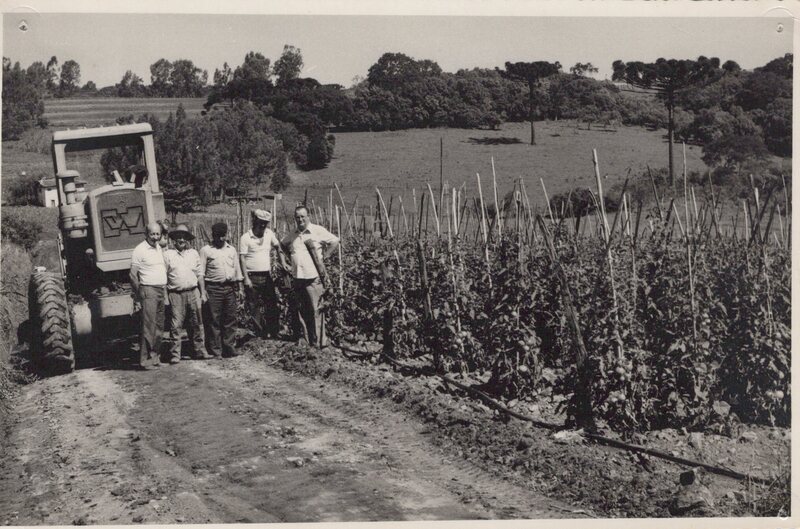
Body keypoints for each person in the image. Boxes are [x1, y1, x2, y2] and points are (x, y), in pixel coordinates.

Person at [280, 205, 339, 347]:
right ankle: (306, 340)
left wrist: (325, 256)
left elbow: (335, 241)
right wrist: (288, 260)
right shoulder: (293, 234)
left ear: (308, 217)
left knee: (316, 310)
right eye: (297, 217)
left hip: (313, 277)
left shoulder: (317, 230)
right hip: (298, 277)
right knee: (302, 310)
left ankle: (319, 341)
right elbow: (282, 245)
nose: (300, 219)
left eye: (303, 216)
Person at [164, 224, 212, 363]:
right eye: (178, 237)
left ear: (187, 239)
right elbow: (163, 277)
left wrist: (202, 292)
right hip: (175, 294)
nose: (181, 240)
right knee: (176, 325)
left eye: (184, 237)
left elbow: (200, 274)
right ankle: (175, 354)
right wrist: (166, 296)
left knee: (197, 323)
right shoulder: (168, 255)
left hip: (193, 292)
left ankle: (199, 351)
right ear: (174, 239)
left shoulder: (193, 253)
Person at [200, 222, 244, 358]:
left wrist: (240, 288)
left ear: (226, 235)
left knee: (230, 318)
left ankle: (229, 347)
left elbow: (237, 269)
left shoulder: (231, 250)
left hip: (229, 288)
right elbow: (201, 273)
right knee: (214, 320)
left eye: (222, 236)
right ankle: (216, 350)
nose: (220, 239)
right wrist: (203, 291)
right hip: (213, 288)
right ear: (213, 235)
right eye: (217, 236)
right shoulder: (206, 250)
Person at [130, 221, 167, 370]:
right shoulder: (140, 250)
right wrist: (139, 293)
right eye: (152, 234)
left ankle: (155, 358)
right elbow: (132, 275)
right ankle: (144, 361)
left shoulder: (158, 247)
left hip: (160, 290)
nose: (155, 237)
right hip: (148, 290)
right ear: (146, 234)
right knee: (148, 327)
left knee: (159, 326)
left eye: (158, 234)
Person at [240, 209, 281, 338]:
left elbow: (278, 246)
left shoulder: (269, 234)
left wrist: (283, 262)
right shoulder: (246, 237)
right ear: (255, 221)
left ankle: (273, 332)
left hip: (266, 276)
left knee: (271, 303)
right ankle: (260, 333)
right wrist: (246, 278)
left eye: (265, 223)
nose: (263, 225)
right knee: (253, 305)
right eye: (261, 222)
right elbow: (242, 258)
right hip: (252, 276)